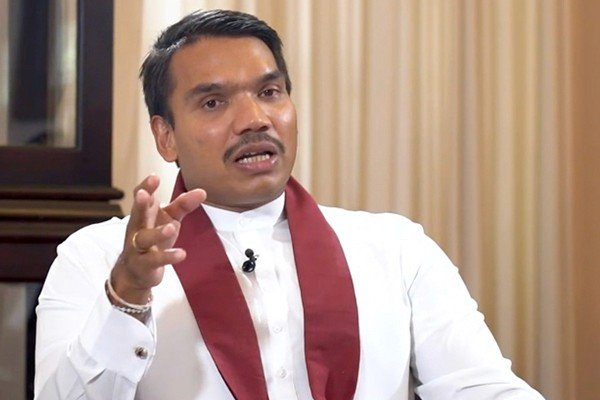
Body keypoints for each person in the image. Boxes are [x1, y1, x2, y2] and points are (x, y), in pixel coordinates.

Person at [34, 9, 545, 400]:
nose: (255, 119)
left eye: (270, 92)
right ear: (165, 136)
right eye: (213, 102)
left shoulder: (395, 248)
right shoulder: (95, 258)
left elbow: (481, 387)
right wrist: (126, 297)